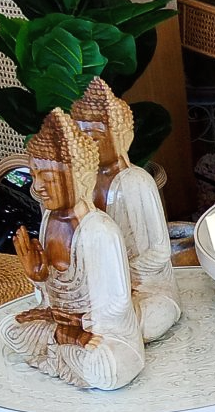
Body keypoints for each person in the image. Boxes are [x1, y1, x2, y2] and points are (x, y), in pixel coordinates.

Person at [0, 110, 145, 391]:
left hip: (98, 333)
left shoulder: (98, 230)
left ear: (79, 177)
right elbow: (49, 296)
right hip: (62, 327)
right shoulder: (48, 220)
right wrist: (38, 276)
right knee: (10, 329)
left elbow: (117, 303)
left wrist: (78, 326)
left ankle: (63, 355)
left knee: (105, 366)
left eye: (48, 178)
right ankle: (61, 351)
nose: (38, 187)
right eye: (34, 176)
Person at [71, 77, 178, 341]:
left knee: (147, 323)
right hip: (104, 291)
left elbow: (161, 251)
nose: (88, 147)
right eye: (81, 140)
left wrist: (121, 275)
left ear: (121, 137)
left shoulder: (137, 181)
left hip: (147, 288)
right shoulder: (83, 186)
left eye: (95, 138)